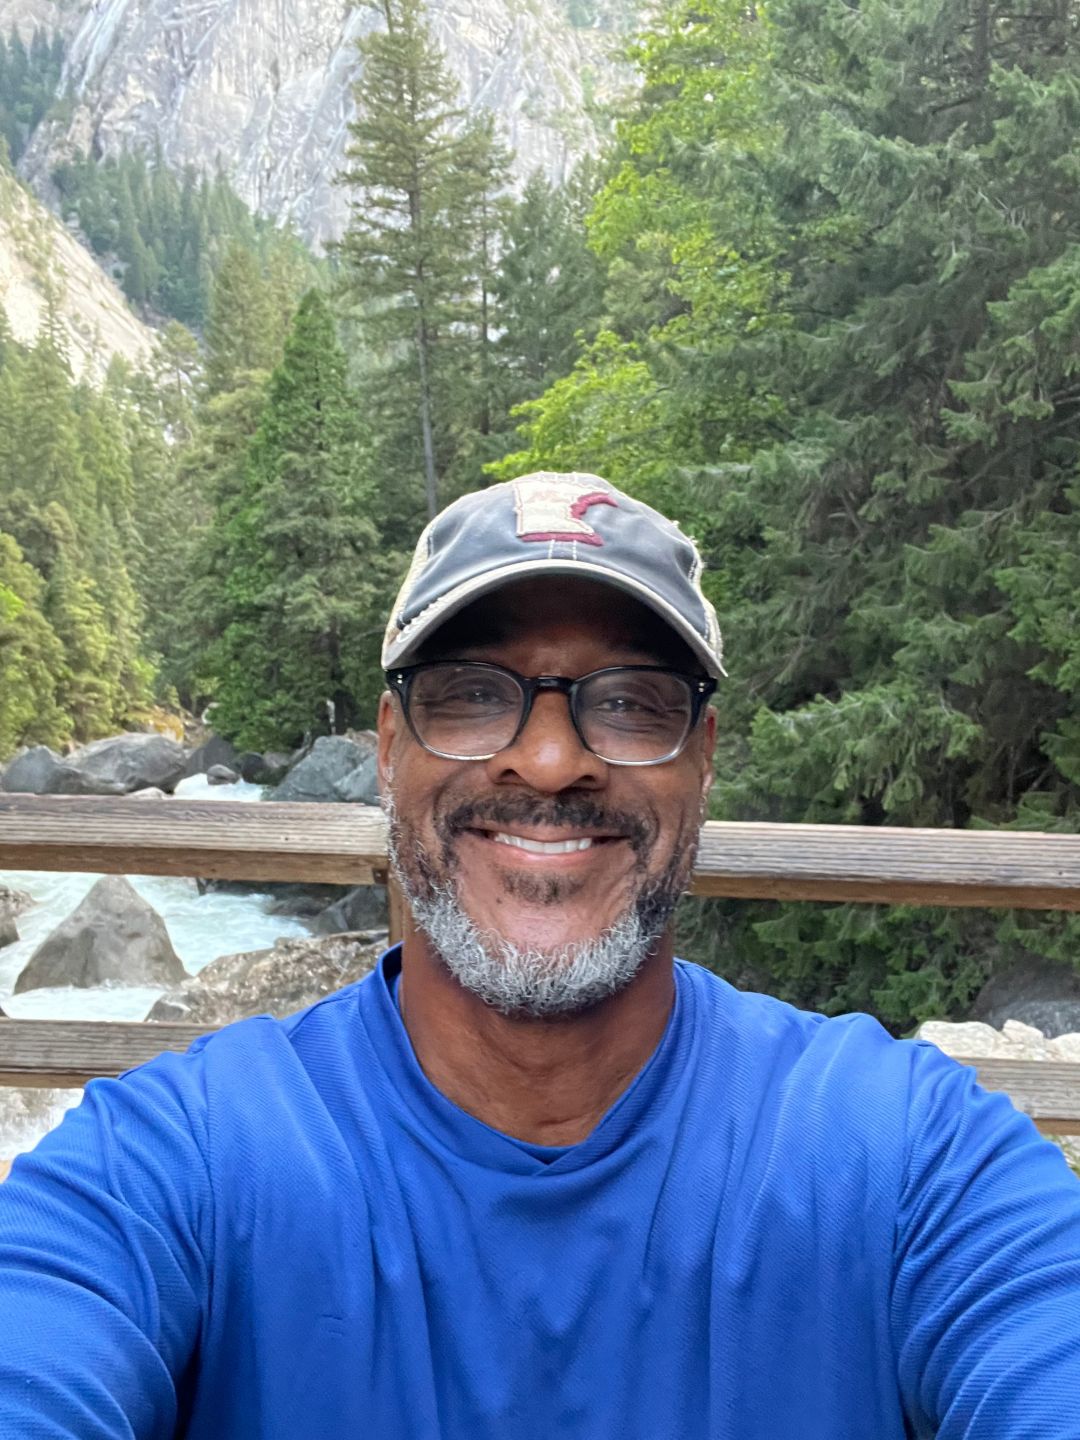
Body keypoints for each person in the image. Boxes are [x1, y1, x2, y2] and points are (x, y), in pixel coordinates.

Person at [1, 470, 1078, 1439]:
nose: (552, 761)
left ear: (702, 760)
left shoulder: (908, 1156)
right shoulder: (176, 1164)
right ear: (389, 749)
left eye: (631, 702)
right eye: (474, 694)